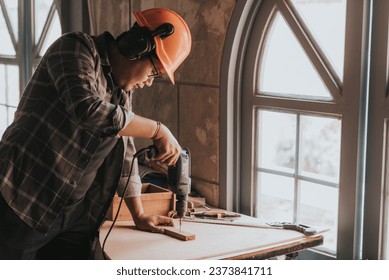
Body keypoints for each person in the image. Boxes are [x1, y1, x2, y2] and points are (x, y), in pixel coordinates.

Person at [0, 7, 192, 259]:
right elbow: (88, 111)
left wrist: (139, 214)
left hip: (74, 212)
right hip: (22, 201)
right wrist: (158, 129)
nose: (149, 82)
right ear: (138, 47)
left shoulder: (122, 92)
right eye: (154, 72)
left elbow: (126, 156)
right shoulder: (75, 49)